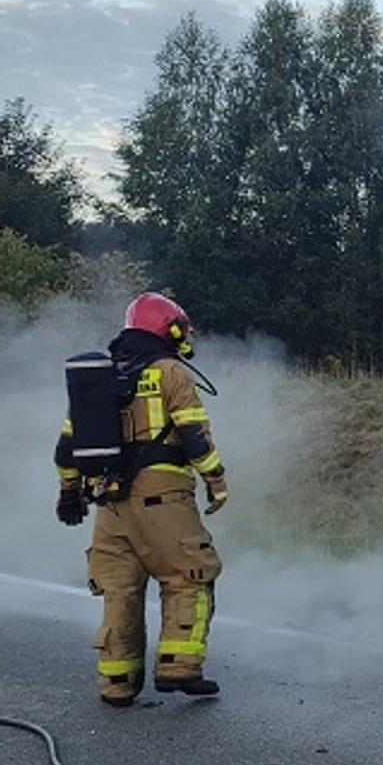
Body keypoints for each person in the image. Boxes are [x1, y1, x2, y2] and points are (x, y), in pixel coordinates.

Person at [55, 292, 230, 707]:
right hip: (162, 497)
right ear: (168, 329)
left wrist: (68, 494)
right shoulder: (171, 373)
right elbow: (194, 437)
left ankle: (117, 682)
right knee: (191, 575)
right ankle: (178, 667)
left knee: (121, 590)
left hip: (109, 503)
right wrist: (216, 481)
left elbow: (66, 448)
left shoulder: (96, 379)